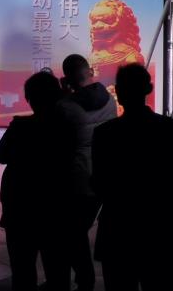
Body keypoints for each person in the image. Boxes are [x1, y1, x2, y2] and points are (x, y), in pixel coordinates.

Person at [92, 63, 173, 291]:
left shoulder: (104, 134)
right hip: (159, 227)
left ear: (119, 92)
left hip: (118, 229)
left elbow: (99, 184)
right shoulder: (172, 130)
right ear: (148, 90)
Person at [0, 70, 77, 291]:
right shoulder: (67, 127)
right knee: (58, 273)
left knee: (22, 273)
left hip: (20, 209)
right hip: (56, 209)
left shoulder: (20, 127)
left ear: (29, 98)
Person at [60, 54, 117, 291]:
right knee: (77, 230)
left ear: (67, 78)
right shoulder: (110, 101)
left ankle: (84, 279)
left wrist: (63, 95)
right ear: (89, 72)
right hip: (103, 174)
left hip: (77, 177)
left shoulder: (66, 107)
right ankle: (84, 279)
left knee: (71, 232)